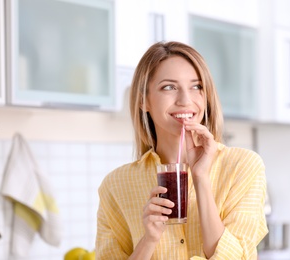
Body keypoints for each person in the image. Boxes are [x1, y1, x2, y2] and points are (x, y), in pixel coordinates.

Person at [95, 41, 268, 259]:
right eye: (169, 87)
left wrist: (201, 178)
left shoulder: (243, 166)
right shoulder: (116, 185)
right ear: (143, 100)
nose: (186, 100)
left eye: (196, 87)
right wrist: (148, 240)